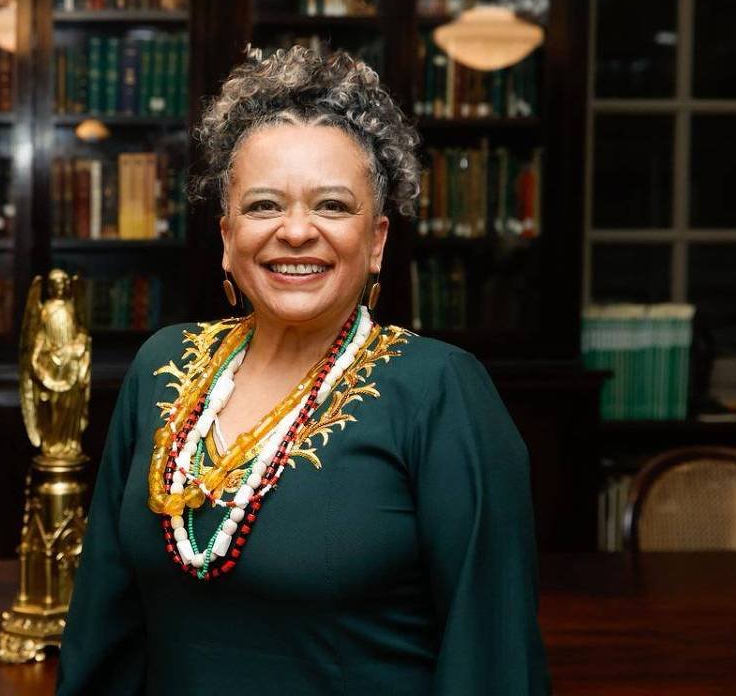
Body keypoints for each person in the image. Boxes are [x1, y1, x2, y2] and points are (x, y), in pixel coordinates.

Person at [56, 46, 549, 695]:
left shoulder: (438, 392)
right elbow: (103, 629)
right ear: (227, 235)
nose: (295, 231)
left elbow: (493, 660)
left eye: (332, 206)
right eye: (263, 206)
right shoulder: (162, 367)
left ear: (376, 242)